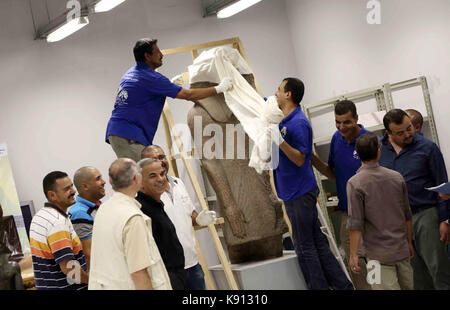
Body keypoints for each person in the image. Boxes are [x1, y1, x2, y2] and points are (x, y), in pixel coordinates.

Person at [268, 77, 353, 290]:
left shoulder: (299, 123)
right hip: (292, 191)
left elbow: (299, 159)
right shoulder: (285, 121)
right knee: (316, 242)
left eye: (279, 90)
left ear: (288, 94)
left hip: (299, 192)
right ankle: (343, 286)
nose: (275, 93)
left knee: (304, 247)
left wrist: (278, 140)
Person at [105, 38, 234, 162]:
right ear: (147, 56)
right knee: (145, 175)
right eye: (157, 52)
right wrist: (218, 88)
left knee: (147, 173)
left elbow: (142, 93)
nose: (161, 55)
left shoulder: (131, 73)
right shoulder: (152, 78)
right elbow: (188, 95)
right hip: (128, 135)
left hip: (120, 131)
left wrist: (169, 86)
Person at [379, 109, 450, 290]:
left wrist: (444, 220)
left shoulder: (428, 148)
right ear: (389, 133)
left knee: (439, 270)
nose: (408, 134)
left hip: (426, 215)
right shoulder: (380, 151)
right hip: (398, 222)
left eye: (409, 128)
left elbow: (442, 185)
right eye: (400, 133)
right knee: (414, 275)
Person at [310, 100, 371, 289]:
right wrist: (311, 158)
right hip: (348, 215)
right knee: (356, 266)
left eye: (346, 122)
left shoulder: (368, 141)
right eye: (338, 122)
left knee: (377, 264)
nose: (341, 127)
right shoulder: (336, 139)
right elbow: (332, 173)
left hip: (371, 215)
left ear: (356, 119)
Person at [141, 145, 216, 290]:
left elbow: (190, 214)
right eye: (153, 159)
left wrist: (199, 219)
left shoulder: (178, 183)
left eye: (162, 157)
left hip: (193, 264)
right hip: (168, 271)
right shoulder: (148, 192)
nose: (160, 161)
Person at [89, 158, 171, 290]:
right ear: (136, 179)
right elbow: (138, 272)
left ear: (110, 182)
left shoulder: (103, 209)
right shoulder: (133, 218)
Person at [347, 133, 414, 290]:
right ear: (379, 151)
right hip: (401, 249)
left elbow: (355, 223)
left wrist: (353, 254)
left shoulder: (354, 183)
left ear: (358, 154)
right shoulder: (397, 177)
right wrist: (409, 242)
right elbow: (407, 214)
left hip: (375, 257)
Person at [29, 171, 89, 290]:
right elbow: (69, 267)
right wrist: (91, 281)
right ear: (52, 195)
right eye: (67, 189)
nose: (73, 191)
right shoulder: (57, 223)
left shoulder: (40, 215)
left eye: (72, 186)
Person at [136, 158, 187, 290]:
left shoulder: (157, 204)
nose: (160, 179)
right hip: (164, 280)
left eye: (162, 174)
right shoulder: (141, 211)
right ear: (139, 182)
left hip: (177, 275)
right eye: (153, 176)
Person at [68, 166, 106, 271]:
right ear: (85, 186)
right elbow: (89, 254)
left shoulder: (98, 205)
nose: (104, 182)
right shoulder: (79, 213)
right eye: (98, 179)